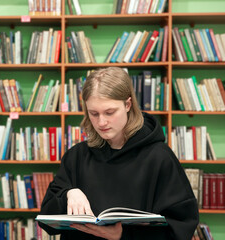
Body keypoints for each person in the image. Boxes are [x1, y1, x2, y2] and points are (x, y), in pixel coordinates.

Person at [39, 67, 199, 240]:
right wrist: (68, 193)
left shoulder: (160, 158)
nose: (101, 122)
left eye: (110, 112)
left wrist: (124, 235)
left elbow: (181, 228)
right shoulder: (76, 156)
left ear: (128, 105)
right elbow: (47, 222)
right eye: (94, 114)